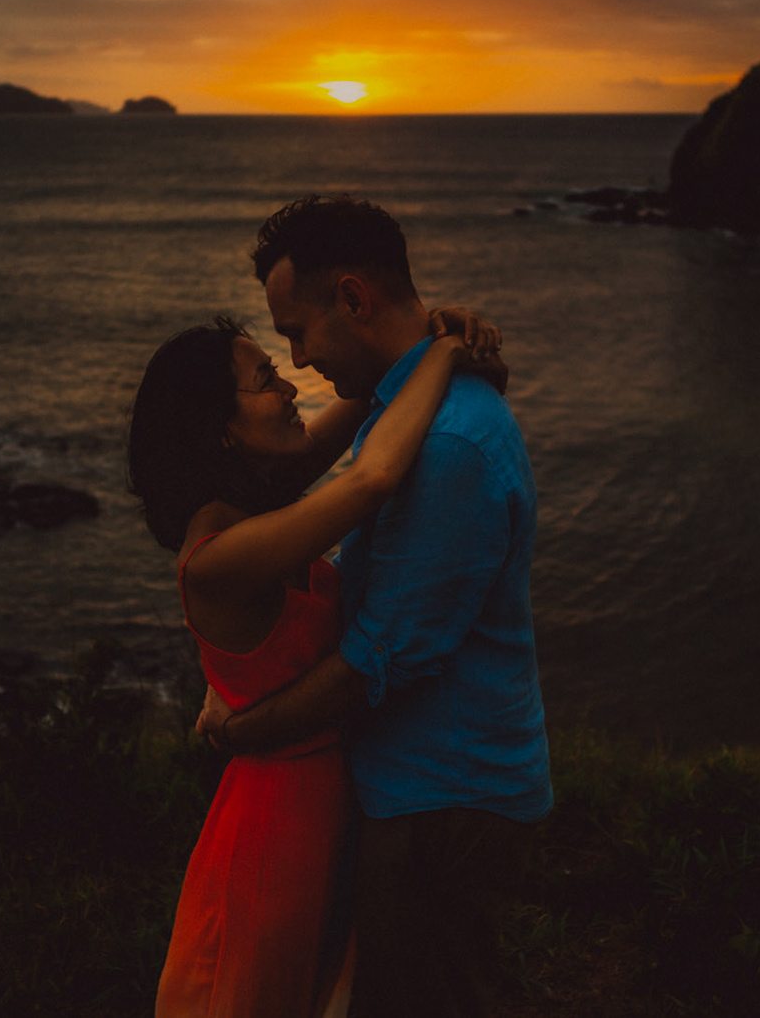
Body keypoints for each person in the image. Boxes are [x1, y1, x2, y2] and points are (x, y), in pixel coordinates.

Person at [198, 195, 552, 1018]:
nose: (297, 360)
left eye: (296, 330)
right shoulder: (404, 411)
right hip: (421, 780)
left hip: (445, 793)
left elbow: (377, 659)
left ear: (353, 298)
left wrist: (247, 728)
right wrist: (442, 338)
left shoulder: (447, 444)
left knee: (435, 997)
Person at [130, 303, 505, 1018]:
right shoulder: (218, 556)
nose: (291, 387)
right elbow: (371, 479)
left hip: (328, 792)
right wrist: (448, 353)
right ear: (221, 427)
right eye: (266, 379)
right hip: (279, 823)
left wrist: (425, 328)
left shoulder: (255, 500)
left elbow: (365, 395)